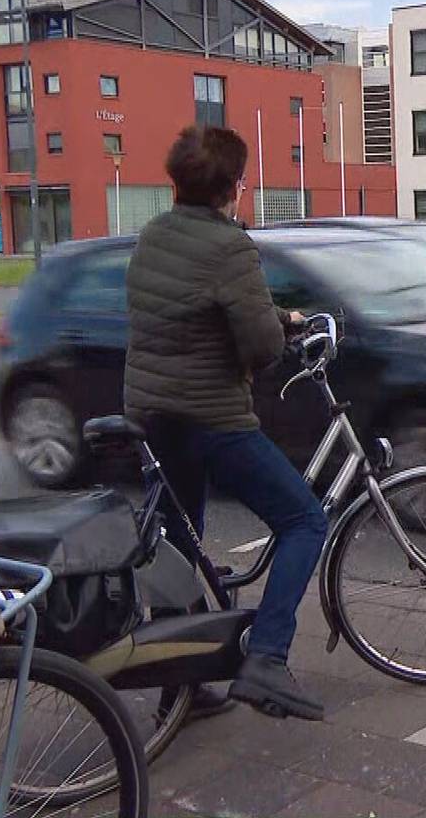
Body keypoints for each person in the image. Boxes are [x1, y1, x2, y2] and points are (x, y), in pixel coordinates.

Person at [124, 125, 329, 721]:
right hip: (209, 416)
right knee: (304, 520)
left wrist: (271, 315)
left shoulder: (153, 236)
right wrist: (280, 324)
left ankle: (178, 688)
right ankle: (266, 658)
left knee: (176, 549)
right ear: (232, 187)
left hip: (151, 415)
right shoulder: (230, 246)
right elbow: (262, 347)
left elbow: (187, 315)